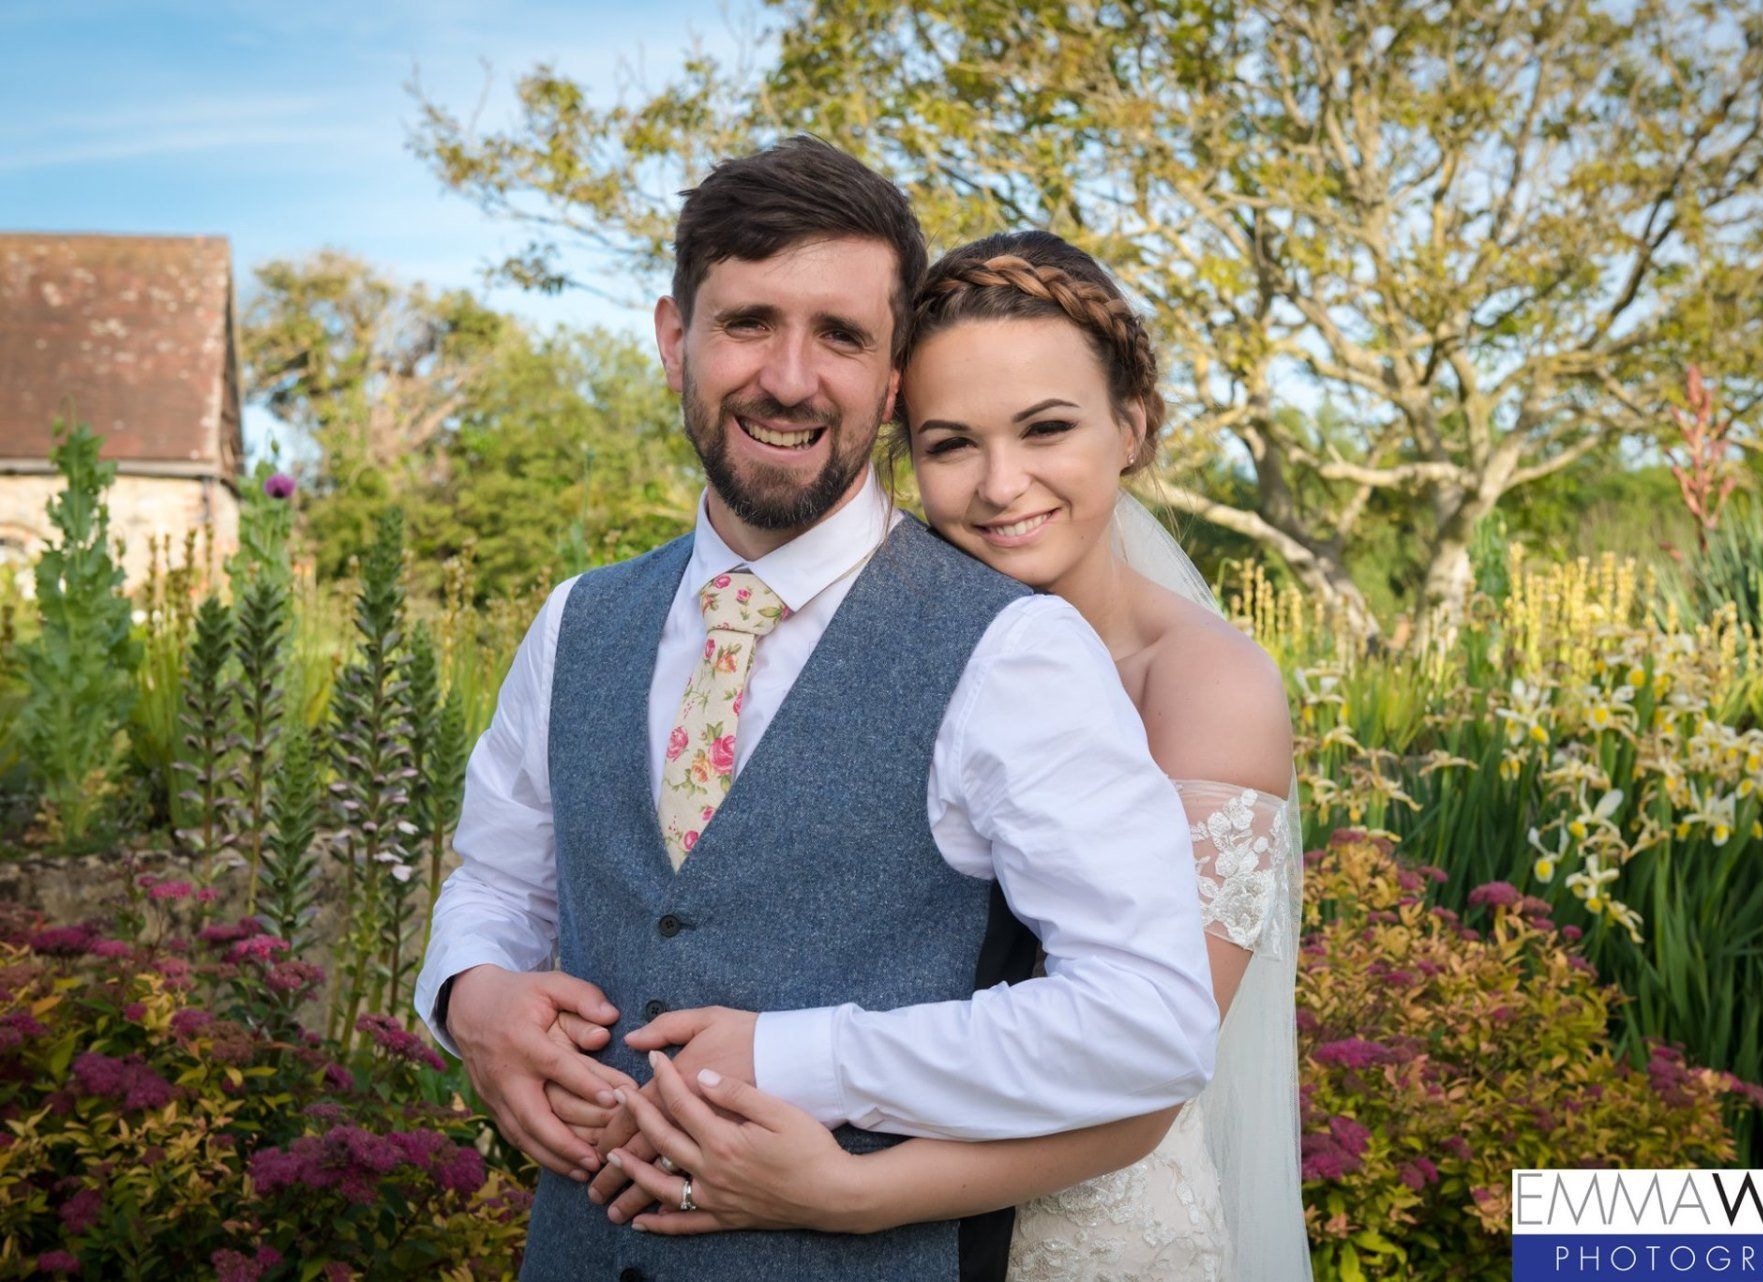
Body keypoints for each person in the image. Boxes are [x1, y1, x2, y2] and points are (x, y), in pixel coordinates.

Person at [411, 139, 1222, 1282]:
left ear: (892, 380)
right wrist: (468, 993)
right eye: (748, 322)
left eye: (840, 336)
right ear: (671, 338)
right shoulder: (572, 622)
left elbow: (1149, 1021)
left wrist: (802, 1057)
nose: (790, 378)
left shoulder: (1013, 652)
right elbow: (495, 881)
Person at [560, 231, 1313, 1281]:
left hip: (1072, 1225)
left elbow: (1149, 1077)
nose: (1003, 486)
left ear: (1133, 427)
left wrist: (850, 1195)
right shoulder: (902, 644)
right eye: (952, 444)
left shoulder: (1204, 686)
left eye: (1046, 429)